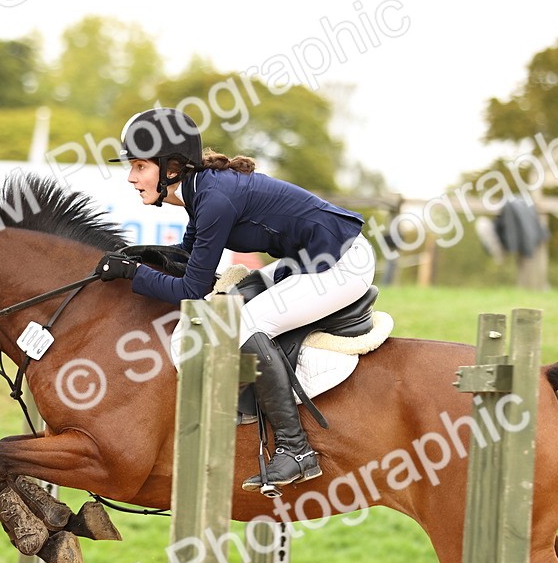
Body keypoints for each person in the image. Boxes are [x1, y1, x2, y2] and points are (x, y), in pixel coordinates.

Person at [94, 107, 376, 491]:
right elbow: (187, 258)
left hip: (341, 265)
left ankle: (296, 450)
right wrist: (137, 256)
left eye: (140, 166)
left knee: (242, 324)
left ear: (172, 167)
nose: (131, 177)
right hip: (310, 261)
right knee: (233, 303)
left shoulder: (213, 199)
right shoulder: (201, 191)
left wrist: (133, 274)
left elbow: (192, 290)